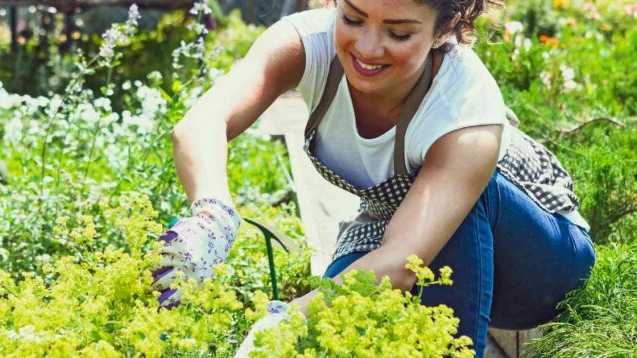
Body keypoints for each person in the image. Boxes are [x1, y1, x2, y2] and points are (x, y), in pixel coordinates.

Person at [154, 0, 597, 355]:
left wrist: (284, 322)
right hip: (399, 229)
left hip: (539, 264)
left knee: (326, 308)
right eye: (352, 17)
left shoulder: (465, 107)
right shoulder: (308, 44)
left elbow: (402, 261)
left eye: (398, 33)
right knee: (332, 320)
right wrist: (213, 214)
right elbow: (201, 123)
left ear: (444, 29)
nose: (367, 47)